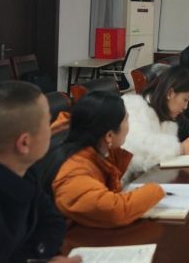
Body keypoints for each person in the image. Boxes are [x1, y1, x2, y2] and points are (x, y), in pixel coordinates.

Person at [0, 81, 78, 263]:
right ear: (24, 143)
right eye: (48, 121)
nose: (52, 128)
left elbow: (52, 223)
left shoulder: (20, 167)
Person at [49, 91, 164, 228]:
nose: (129, 125)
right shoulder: (73, 170)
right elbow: (115, 210)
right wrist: (157, 190)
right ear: (109, 136)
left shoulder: (99, 151)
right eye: (126, 120)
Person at [122, 66, 189, 177]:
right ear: (170, 93)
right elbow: (137, 154)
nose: (185, 107)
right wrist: (180, 148)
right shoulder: (133, 109)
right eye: (185, 99)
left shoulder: (164, 120)